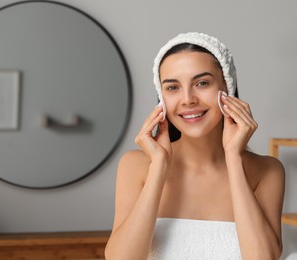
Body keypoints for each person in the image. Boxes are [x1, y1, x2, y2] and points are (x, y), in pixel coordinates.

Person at [105, 32, 285, 260]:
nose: (188, 99)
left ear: (227, 88)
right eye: (172, 87)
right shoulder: (135, 166)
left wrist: (233, 157)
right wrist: (159, 166)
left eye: (202, 83)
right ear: (162, 99)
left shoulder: (267, 171)